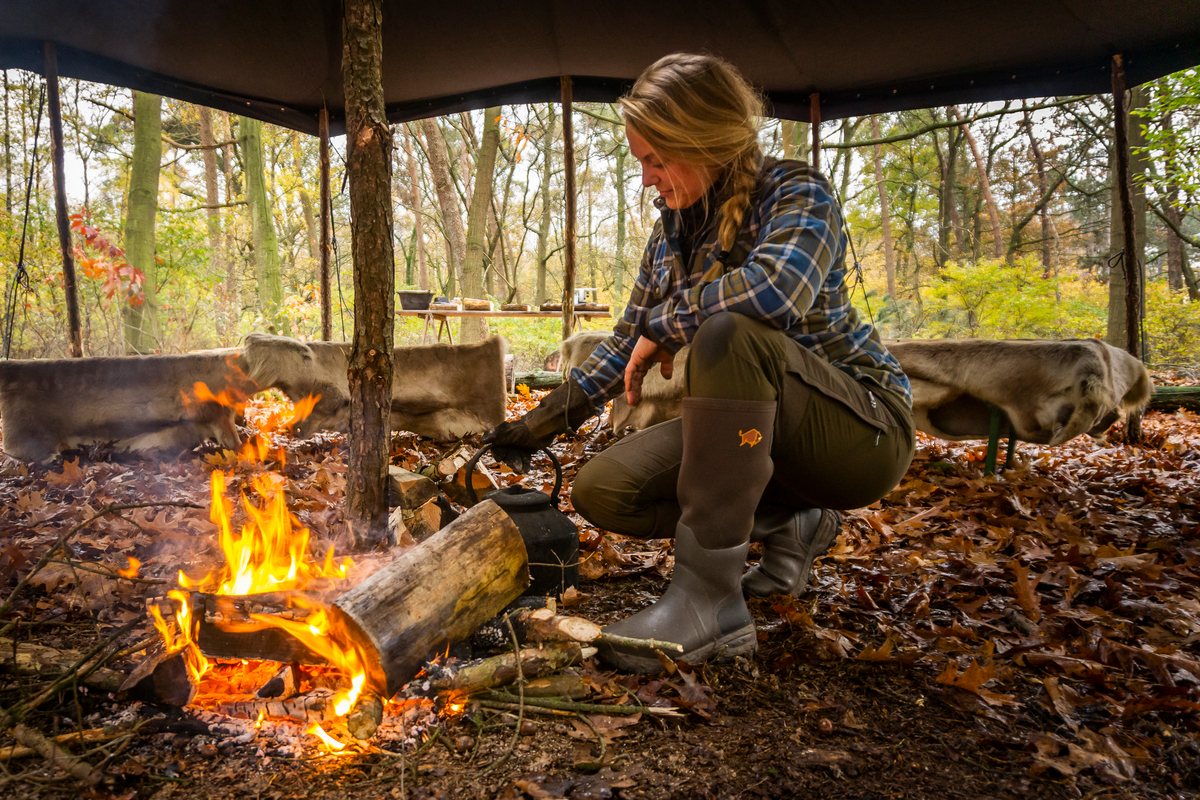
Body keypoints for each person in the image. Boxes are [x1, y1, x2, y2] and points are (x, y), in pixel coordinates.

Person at [483, 53, 915, 673]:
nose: (647, 180)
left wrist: (668, 323)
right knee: (601, 490)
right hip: (760, 440)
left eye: (656, 161)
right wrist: (541, 423)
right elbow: (622, 345)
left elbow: (774, 293)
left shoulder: (798, 194)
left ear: (704, 141)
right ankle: (793, 522)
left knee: (728, 334)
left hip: (862, 431)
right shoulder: (670, 237)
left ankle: (709, 600)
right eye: (640, 163)